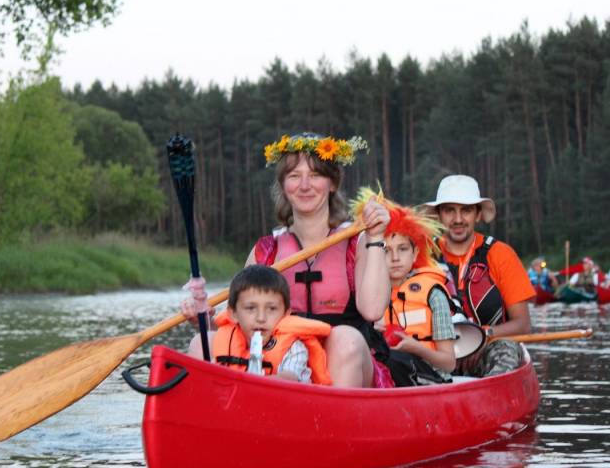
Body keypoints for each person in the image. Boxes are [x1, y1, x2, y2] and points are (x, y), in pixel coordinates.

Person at [182, 133, 392, 388]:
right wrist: (203, 319)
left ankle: (332, 412)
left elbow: (372, 310)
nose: (304, 185)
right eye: (294, 176)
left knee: (345, 339)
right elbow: (238, 321)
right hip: (283, 363)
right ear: (283, 185)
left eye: (315, 175)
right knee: (201, 343)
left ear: (333, 183)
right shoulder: (266, 251)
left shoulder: (358, 242)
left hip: (346, 362)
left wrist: (376, 237)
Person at [425, 175, 534, 377]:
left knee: (506, 350)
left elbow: (523, 324)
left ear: (477, 214)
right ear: (439, 215)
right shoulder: (422, 255)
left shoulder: (501, 254)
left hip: (488, 349)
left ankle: (494, 390)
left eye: (466, 210)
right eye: (449, 210)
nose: (458, 219)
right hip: (437, 353)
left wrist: (482, 335)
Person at [353, 188, 456, 382]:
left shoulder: (433, 295)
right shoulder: (366, 298)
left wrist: (416, 349)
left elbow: (449, 363)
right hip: (383, 376)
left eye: (402, 249)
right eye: (386, 250)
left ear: (415, 253)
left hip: (429, 378)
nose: (395, 258)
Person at [211, 264, 331, 384]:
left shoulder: (294, 348)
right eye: (251, 308)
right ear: (233, 314)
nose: (261, 318)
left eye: (272, 309)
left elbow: (289, 378)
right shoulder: (225, 339)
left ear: (285, 314)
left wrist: (250, 383)